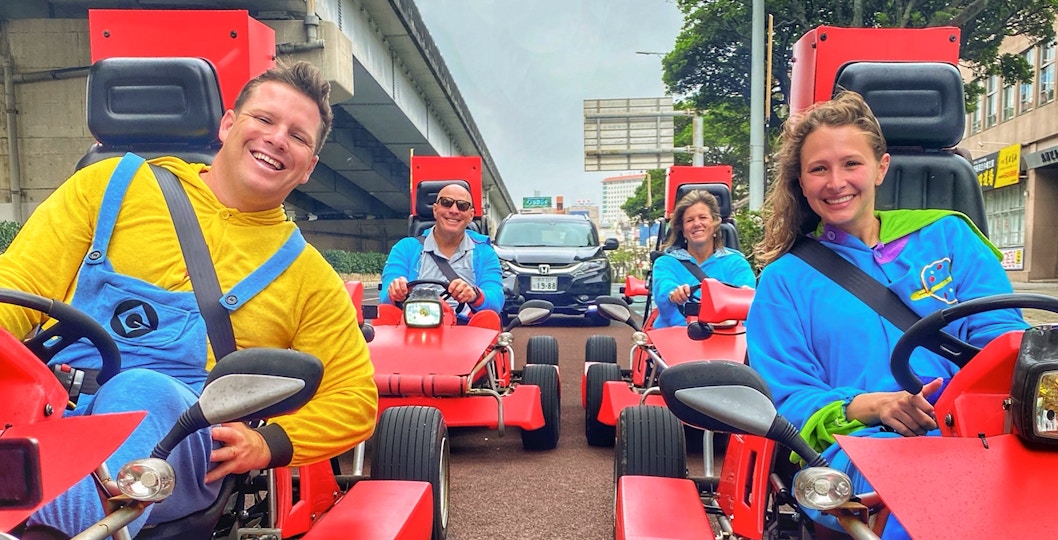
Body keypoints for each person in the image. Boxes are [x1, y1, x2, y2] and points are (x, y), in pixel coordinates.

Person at [0, 61, 378, 538]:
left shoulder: (310, 278)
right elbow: (17, 287)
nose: (278, 138)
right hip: (51, 405)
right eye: (264, 119)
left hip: (183, 434)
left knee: (138, 391)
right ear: (227, 124)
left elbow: (354, 398)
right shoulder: (108, 186)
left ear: (309, 169)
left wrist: (270, 442)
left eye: (298, 137)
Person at [745, 91, 1027, 538]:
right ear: (801, 182)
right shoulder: (783, 280)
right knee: (932, 503)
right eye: (819, 169)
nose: (836, 181)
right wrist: (872, 405)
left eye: (851, 164)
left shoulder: (949, 236)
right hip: (860, 446)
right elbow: (789, 400)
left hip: (978, 430)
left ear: (881, 167)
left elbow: (1003, 336)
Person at [380, 183, 503, 321]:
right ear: (435, 209)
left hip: (466, 330)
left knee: (489, 318)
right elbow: (385, 295)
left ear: (470, 215)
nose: (454, 210)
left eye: (462, 206)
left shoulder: (486, 253)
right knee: (385, 312)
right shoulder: (405, 248)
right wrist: (395, 290)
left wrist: (475, 295)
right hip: (414, 325)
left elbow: (496, 299)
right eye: (446, 203)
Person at [651, 189, 756, 329]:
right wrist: (673, 294)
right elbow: (664, 289)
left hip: (727, 338)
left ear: (715, 224)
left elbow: (749, 304)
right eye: (689, 220)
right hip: (678, 337)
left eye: (703, 217)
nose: (696, 224)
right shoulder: (666, 263)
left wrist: (745, 296)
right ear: (682, 229)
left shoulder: (736, 263)